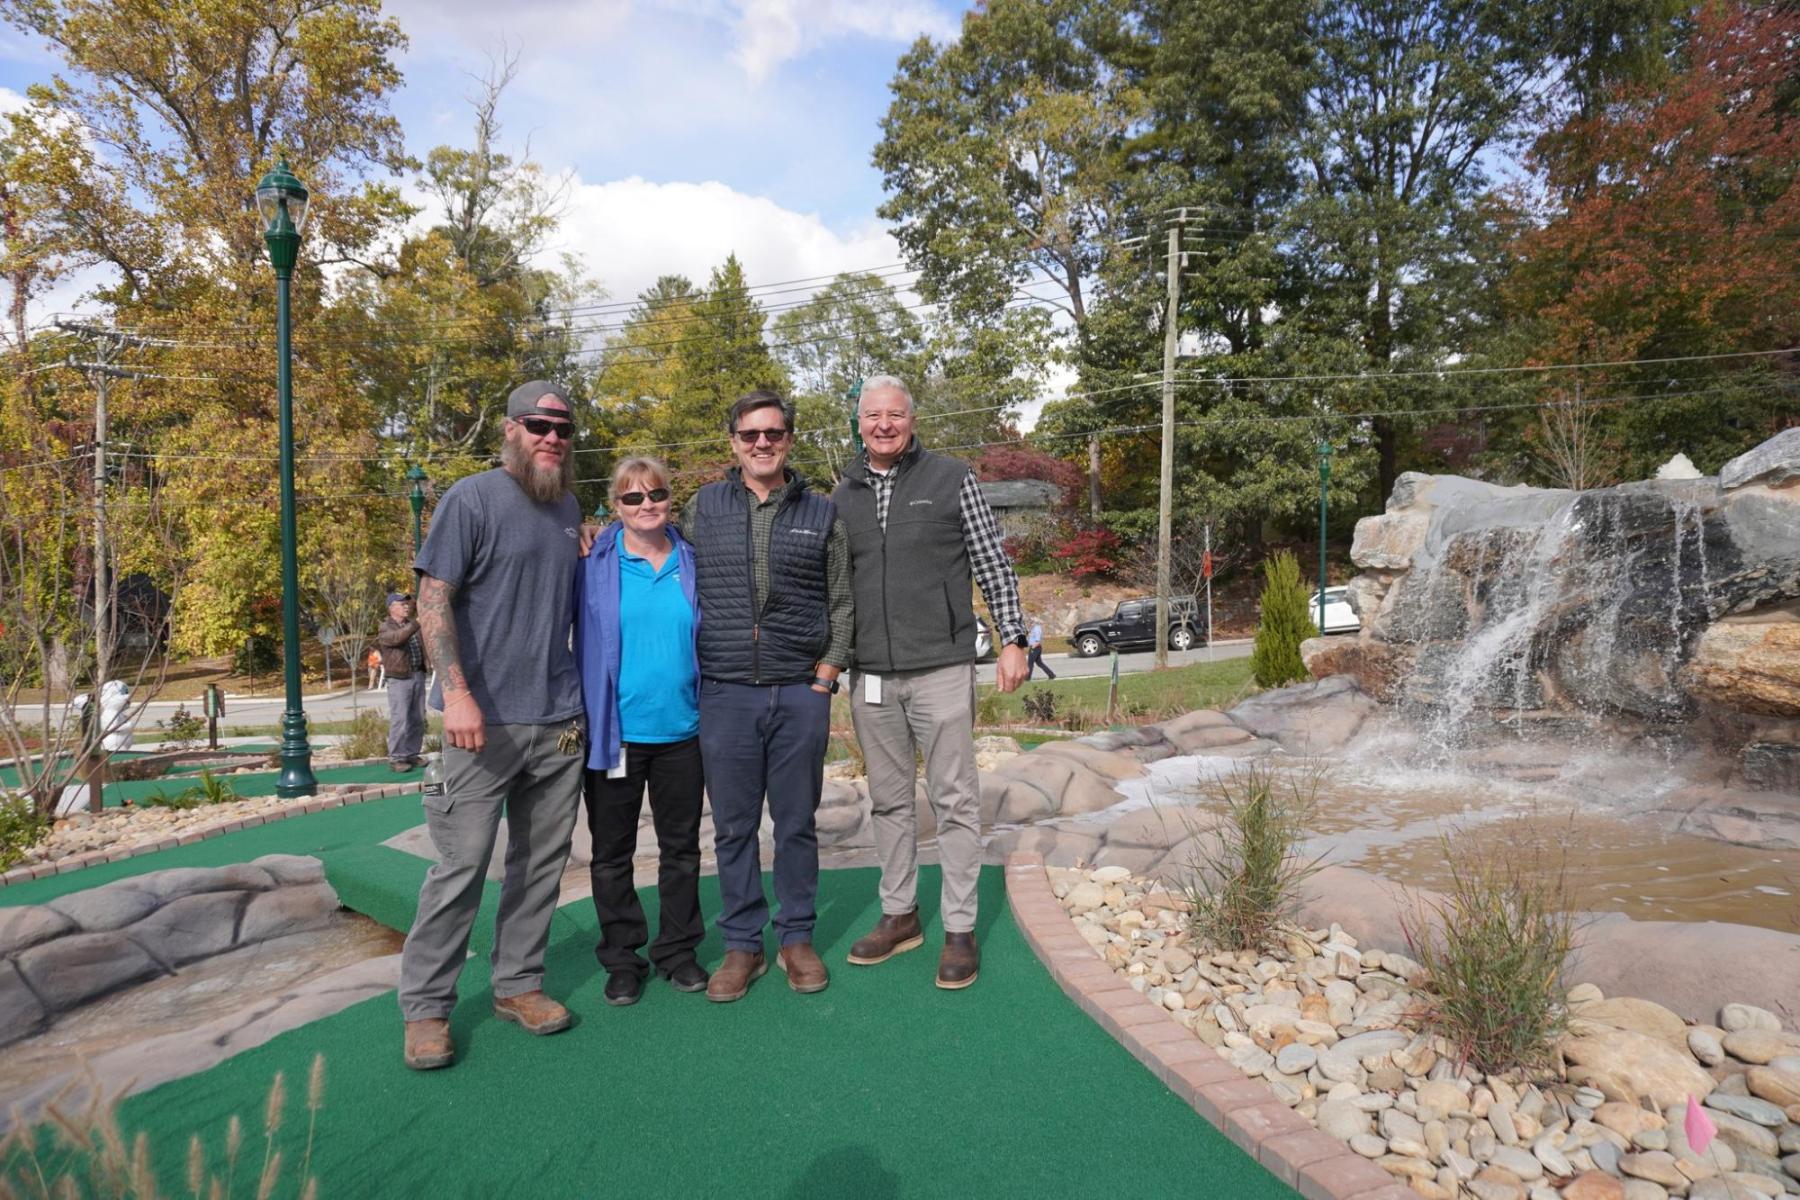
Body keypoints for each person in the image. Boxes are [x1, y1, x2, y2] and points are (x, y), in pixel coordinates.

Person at [397, 380, 588, 1071]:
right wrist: (457, 695)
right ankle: (425, 1009)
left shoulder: (567, 507)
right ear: (510, 428)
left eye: (563, 428)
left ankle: (518, 985)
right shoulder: (469, 499)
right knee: (460, 868)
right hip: (478, 724)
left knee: (539, 865)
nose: (552, 437)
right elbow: (432, 598)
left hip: (558, 720)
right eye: (539, 424)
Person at [834, 374, 1027, 990]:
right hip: (871, 677)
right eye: (873, 415)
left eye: (895, 414)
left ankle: (961, 926)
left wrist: (1012, 638)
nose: (883, 424)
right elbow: (831, 588)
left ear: (911, 421)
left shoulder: (951, 478)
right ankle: (899, 914)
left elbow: (992, 562)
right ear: (859, 422)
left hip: (941, 666)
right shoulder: (842, 493)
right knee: (888, 800)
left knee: (954, 799)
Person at [686, 389, 853, 1003]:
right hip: (727, 692)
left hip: (798, 691)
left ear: (788, 439)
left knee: (796, 824)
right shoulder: (703, 507)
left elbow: (842, 598)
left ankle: (797, 938)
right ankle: (742, 946)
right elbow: (655, 553)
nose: (762, 443)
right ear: (733, 441)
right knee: (732, 829)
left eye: (774, 433)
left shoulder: (821, 511)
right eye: (751, 434)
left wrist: (826, 674)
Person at [574, 455, 709, 1006]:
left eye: (655, 494)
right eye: (632, 498)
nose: (646, 505)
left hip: (683, 730)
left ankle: (677, 952)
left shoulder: (693, 561)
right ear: (615, 506)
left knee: (682, 850)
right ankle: (622, 958)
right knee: (611, 854)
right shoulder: (590, 564)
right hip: (617, 734)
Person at [378, 593, 428, 772]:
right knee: (401, 718)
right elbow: (397, 638)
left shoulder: (410, 625)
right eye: (402, 604)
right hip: (399, 679)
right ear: (391, 607)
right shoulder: (386, 627)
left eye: (407, 604)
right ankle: (397, 758)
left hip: (417, 675)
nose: (407, 607)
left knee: (418, 718)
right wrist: (417, 623)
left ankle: (412, 754)